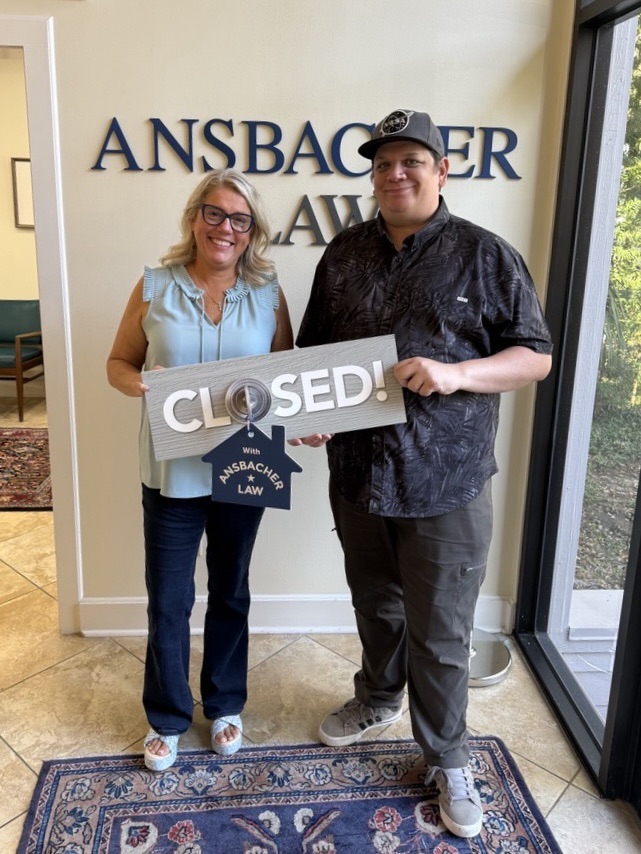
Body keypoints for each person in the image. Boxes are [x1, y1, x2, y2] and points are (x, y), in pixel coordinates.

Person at [293, 108, 552, 839]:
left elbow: (533, 356)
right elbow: (313, 358)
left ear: (441, 171)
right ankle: (377, 695)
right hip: (358, 475)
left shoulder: (486, 255)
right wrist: (303, 410)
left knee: (441, 630)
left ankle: (447, 755)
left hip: (447, 479)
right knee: (374, 602)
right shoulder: (342, 253)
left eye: (411, 160)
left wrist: (457, 372)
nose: (394, 173)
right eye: (382, 163)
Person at [107, 169, 293, 772]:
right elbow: (117, 362)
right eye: (214, 213)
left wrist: (310, 419)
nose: (225, 228)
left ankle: (226, 704)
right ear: (194, 218)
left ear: (251, 232)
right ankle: (166, 716)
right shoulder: (153, 286)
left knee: (231, 590)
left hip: (247, 461)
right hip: (171, 469)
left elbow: (286, 379)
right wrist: (141, 385)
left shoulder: (269, 294)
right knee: (169, 598)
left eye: (239, 219)